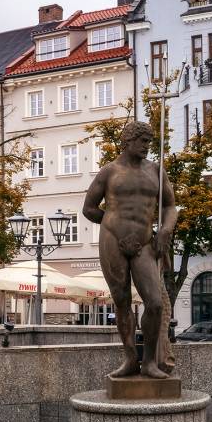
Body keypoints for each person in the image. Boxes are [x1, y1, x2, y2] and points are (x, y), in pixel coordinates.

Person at [82, 121, 176, 379]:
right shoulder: (109, 172)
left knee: (155, 303)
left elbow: (169, 207)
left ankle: (149, 363)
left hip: (145, 242)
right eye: (143, 141)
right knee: (121, 300)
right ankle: (130, 358)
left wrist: (165, 231)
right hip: (113, 240)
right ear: (128, 141)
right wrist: (115, 226)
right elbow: (89, 208)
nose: (148, 146)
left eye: (149, 141)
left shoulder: (157, 171)